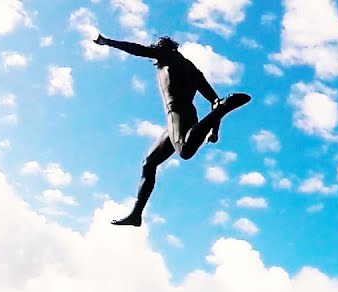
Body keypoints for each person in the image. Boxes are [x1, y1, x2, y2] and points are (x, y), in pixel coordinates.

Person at [94, 33, 251, 226]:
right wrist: (215, 129)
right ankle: (136, 214)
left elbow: (136, 49)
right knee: (149, 163)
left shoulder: (166, 55)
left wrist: (108, 42)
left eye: (157, 48)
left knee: (184, 151)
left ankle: (225, 110)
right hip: (186, 118)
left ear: (164, 47)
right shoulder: (192, 68)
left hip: (177, 115)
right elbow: (214, 101)